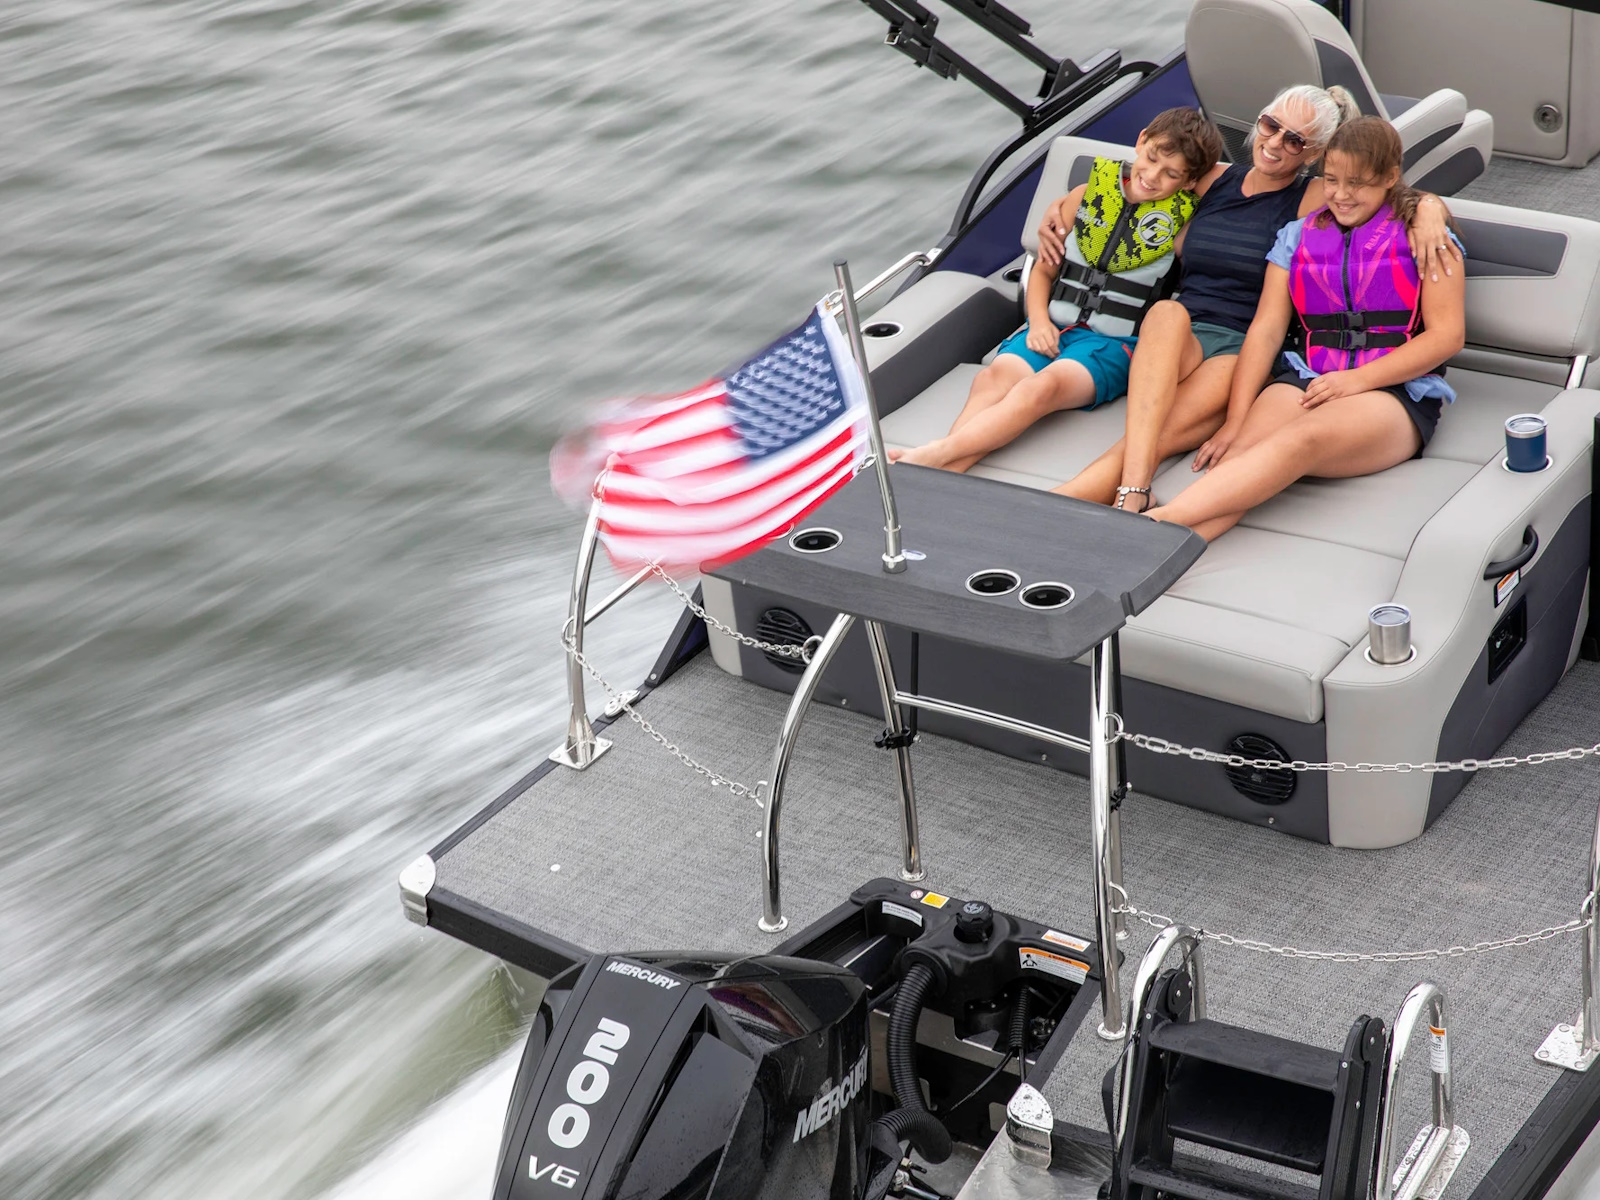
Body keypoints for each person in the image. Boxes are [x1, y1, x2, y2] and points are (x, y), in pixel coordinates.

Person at [1037, 84, 1461, 512]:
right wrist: (1061, 208)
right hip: (1181, 335)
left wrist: (1429, 210)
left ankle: (1083, 500)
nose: (1275, 143)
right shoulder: (1212, 180)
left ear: (1314, 154)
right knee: (1165, 312)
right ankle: (1131, 487)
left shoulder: (1316, 196)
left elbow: (1385, 193)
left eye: (1295, 140)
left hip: (1239, 349)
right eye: (1271, 125)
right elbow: (1139, 181)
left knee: (1157, 433)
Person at [1143, 116, 1466, 540]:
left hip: (1396, 390)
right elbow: (1266, 329)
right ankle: (1156, 551)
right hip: (1311, 374)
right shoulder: (1296, 236)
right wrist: (1236, 421)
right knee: (1239, 454)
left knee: (1300, 440)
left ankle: (1152, 525)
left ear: (1390, 177)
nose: (1341, 195)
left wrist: (1355, 381)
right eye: (1331, 180)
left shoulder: (1426, 236)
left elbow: (1447, 337)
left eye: (1357, 183)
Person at [889, 109, 1223, 472]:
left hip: (1113, 347)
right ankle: (944, 467)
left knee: (1039, 388)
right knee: (991, 379)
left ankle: (936, 456)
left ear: (1189, 181)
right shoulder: (1084, 196)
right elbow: (1043, 272)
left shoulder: (1185, 223)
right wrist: (1037, 323)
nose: (1153, 175)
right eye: (1153, 158)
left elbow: (1228, 187)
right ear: (1141, 141)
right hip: (1050, 327)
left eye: (1171, 174)